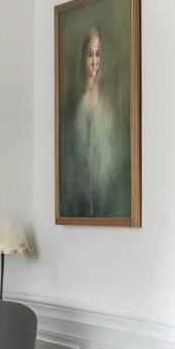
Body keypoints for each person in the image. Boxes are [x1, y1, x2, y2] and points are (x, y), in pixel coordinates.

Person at [60, 26, 128, 217]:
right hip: (78, 195)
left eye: (98, 54)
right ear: (82, 56)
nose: (94, 62)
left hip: (103, 195)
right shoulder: (72, 104)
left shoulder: (107, 102)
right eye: (89, 54)